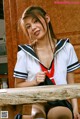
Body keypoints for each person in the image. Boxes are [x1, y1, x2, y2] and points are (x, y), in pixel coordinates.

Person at [13, 5, 80, 119]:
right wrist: (34, 82)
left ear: (47, 19)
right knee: (34, 115)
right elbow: (17, 85)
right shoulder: (24, 54)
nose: (33, 27)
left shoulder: (66, 48)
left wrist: (75, 108)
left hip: (59, 100)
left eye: (36, 21)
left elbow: (71, 82)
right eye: (28, 26)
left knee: (60, 115)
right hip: (31, 100)